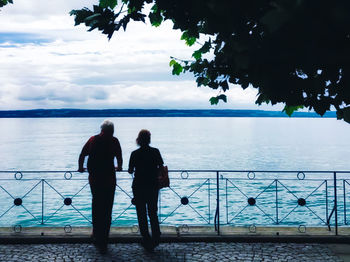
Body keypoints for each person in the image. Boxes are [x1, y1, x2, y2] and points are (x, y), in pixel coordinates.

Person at [78, 120, 122, 254]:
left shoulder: (92, 139)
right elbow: (119, 158)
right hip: (109, 179)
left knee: (96, 205)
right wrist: (119, 167)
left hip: (95, 179)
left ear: (101, 129)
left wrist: (80, 168)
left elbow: (82, 154)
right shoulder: (114, 141)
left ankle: (96, 234)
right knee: (107, 207)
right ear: (112, 130)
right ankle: (105, 236)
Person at [128, 129, 163, 252]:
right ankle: (156, 235)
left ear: (138, 140)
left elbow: (130, 170)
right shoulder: (155, 151)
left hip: (138, 186)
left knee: (141, 212)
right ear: (149, 139)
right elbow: (161, 166)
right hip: (152, 185)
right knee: (152, 211)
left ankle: (146, 238)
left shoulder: (134, 154)